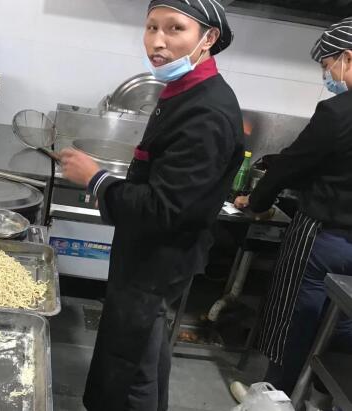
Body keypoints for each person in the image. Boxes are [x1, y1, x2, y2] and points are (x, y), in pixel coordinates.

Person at [60, 1, 243, 410]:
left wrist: (96, 178)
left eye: (175, 28)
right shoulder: (185, 91)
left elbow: (164, 208)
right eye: (151, 27)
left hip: (160, 258)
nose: (157, 42)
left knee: (130, 367)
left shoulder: (208, 111)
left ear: (208, 38)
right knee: (144, 347)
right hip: (150, 253)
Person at [233, 16, 352, 400]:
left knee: (295, 316)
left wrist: (257, 202)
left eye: (327, 65)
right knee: (340, 321)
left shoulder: (338, 111)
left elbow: (293, 165)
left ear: (347, 58)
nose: (327, 75)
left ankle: (275, 396)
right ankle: (321, 392)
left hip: (322, 237)